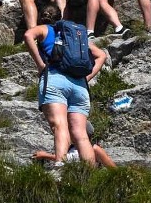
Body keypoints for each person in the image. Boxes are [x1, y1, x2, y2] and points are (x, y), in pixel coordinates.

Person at [23, 20, 107, 165]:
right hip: (80, 86)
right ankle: (89, 174)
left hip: (55, 79)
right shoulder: (77, 36)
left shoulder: (46, 29)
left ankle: (60, 166)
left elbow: (28, 35)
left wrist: (40, 65)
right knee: (81, 135)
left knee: (60, 125)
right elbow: (102, 55)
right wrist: (86, 78)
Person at [31, 120, 116, 168]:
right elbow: (66, 159)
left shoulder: (94, 149)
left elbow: (111, 167)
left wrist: (45, 155)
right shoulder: (71, 147)